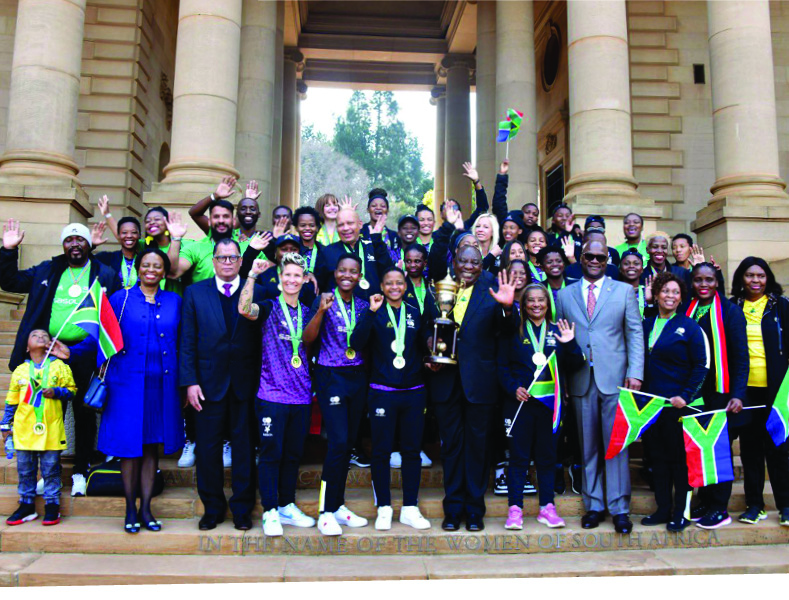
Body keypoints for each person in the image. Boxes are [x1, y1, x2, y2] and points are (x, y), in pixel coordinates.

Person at [0, 220, 119, 496]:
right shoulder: (48, 269)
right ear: (63, 245)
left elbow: (110, 319)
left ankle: (80, 470)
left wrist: (78, 351)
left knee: (83, 413)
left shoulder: (106, 273)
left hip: (85, 353)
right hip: (47, 355)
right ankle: (48, 474)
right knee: (48, 411)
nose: (74, 244)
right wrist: (8, 250)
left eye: (80, 240)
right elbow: (10, 281)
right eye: (69, 240)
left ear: (89, 244)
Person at [73, 248, 183, 533]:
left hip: (162, 386)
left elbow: (184, 342)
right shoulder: (120, 299)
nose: (150, 269)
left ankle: (146, 508)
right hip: (125, 385)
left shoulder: (174, 301)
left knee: (150, 447)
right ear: (138, 269)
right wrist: (69, 352)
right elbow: (100, 335)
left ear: (164, 271)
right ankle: (129, 509)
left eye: (157, 266)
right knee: (129, 448)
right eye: (145, 264)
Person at [555, 238, 645, 534]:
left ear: (608, 260)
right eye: (589, 256)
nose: (595, 261)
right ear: (580, 259)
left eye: (601, 257)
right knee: (588, 445)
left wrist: (636, 373)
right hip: (580, 380)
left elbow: (634, 333)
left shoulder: (622, 291)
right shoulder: (565, 295)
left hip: (616, 379)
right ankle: (594, 505)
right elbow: (562, 341)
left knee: (616, 445)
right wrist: (564, 381)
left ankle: (619, 508)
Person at [428, 245, 516, 532]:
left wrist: (506, 307)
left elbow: (508, 329)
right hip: (446, 382)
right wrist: (429, 347)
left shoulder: (493, 289)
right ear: (454, 261)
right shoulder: (440, 288)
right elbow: (427, 330)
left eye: (474, 262)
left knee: (478, 449)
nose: (468, 265)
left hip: (480, 383)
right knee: (451, 448)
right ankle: (453, 510)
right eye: (463, 260)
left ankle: (475, 510)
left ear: (481, 265)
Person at [180, 238, 262, 531]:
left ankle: (242, 509)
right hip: (206, 384)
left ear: (242, 261)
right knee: (208, 449)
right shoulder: (194, 293)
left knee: (243, 448)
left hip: (246, 384)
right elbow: (187, 341)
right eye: (221, 257)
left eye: (232, 258)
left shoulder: (256, 290)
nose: (227, 262)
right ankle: (212, 508)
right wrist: (189, 382)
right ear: (213, 261)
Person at [239, 253, 316, 536]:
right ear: (280, 279)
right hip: (271, 394)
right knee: (271, 454)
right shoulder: (270, 307)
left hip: (302, 396)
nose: (292, 280)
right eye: (287, 275)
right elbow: (244, 309)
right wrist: (251, 276)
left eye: (298, 275)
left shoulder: (308, 312)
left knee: (293, 455)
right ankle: (270, 510)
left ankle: (286, 505)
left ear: (304, 279)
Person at [350, 267, 433, 530]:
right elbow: (357, 341)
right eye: (389, 283)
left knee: (411, 451)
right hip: (382, 391)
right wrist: (371, 312)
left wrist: (435, 353)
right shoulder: (373, 311)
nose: (395, 287)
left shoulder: (413, 312)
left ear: (406, 286)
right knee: (382, 451)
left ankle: (410, 506)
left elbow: (424, 345)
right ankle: (384, 506)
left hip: (413, 392)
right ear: (382, 287)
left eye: (399, 283)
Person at [498, 284, 584, 530]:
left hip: (550, 406)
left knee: (547, 458)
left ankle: (547, 507)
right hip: (519, 404)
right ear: (523, 304)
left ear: (548, 304)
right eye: (530, 301)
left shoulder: (559, 330)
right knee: (518, 459)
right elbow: (501, 366)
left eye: (541, 300)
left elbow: (575, 363)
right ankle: (515, 509)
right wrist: (513, 387)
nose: (536, 304)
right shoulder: (513, 330)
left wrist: (569, 344)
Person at [306, 254, 370, 535]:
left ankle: (338, 505)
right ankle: (325, 511)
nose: (347, 275)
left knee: (348, 443)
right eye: (342, 270)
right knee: (338, 442)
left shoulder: (365, 304)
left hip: (357, 376)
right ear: (335, 273)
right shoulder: (324, 300)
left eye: (353, 271)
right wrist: (320, 311)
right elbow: (308, 338)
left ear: (359, 275)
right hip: (331, 375)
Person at [640, 272, 708, 532]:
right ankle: (662, 508)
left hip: (680, 406)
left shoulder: (690, 327)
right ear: (656, 294)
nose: (670, 296)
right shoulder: (646, 324)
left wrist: (686, 395)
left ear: (681, 299)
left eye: (675, 292)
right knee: (657, 459)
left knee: (681, 462)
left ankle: (681, 512)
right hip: (653, 407)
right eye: (665, 291)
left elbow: (702, 367)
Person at [684, 262, 749, 529]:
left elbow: (741, 357)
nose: (703, 285)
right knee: (700, 448)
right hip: (696, 392)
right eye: (698, 280)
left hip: (722, 392)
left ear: (717, 282)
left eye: (709, 280)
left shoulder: (730, 312)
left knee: (719, 449)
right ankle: (706, 499)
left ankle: (720, 507)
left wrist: (738, 394)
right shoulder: (687, 309)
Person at [731, 257, 789, 526]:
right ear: (741, 278)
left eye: (761, 276)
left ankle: (786, 505)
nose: (755, 280)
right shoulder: (734, 307)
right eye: (750, 275)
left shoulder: (780, 306)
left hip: (775, 392)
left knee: (779, 447)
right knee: (751, 450)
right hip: (745, 392)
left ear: (768, 278)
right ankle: (755, 505)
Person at [2, 329, 75, 527]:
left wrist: (57, 392)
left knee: (51, 468)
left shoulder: (59, 367)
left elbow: (72, 391)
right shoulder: (20, 370)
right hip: (24, 430)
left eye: (45, 335)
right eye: (34, 335)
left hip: (51, 429)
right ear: (27, 347)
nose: (41, 337)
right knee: (25, 469)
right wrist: (4, 426)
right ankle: (26, 505)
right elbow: (11, 401)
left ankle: (52, 505)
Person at [318, 205, 393, 300]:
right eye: (341, 225)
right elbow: (320, 286)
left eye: (350, 223)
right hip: (339, 312)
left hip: (374, 309)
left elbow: (388, 274)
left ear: (360, 224)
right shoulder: (327, 252)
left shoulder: (374, 247)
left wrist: (377, 240)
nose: (345, 228)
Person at [166, 199, 241, 284]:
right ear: (209, 221)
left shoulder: (245, 245)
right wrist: (176, 238)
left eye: (226, 216)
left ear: (234, 221)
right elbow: (172, 273)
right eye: (216, 217)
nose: (221, 221)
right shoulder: (195, 248)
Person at [92, 216, 142, 289]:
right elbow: (85, 262)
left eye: (134, 232)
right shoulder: (107, 258)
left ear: (139, 235)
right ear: (118, 235)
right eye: (124, 232)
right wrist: (92, 245)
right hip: (113, 300)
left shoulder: (144, 260)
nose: (129, 236)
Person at [292, 206, 325, 275]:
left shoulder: (324, 251)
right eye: (303, 225)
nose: (307, 228)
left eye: (312, 225)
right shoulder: (292, 249)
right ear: (296, 228)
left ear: (317, 228)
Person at [619, 248, 650, 319]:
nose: (631, 266)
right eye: (626, 263)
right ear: (620, 269)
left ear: (642, 269)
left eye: (636, 264)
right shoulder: (614, 292)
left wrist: (650, 302)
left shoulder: (647, 292)